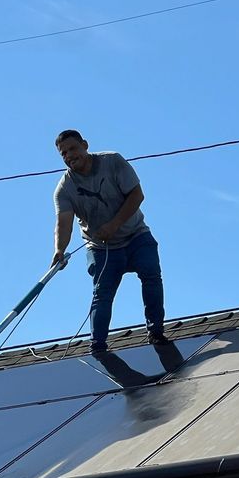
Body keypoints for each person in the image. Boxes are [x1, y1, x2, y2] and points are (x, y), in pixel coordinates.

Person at [51, 129, 169, 354]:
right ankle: (98, 346)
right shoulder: (64, 188)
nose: (69, 156)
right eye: (63, 153)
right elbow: (63, 222)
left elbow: (137, 195)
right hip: (101, 249)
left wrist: (114, 224)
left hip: (136, 235)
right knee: (102, 294)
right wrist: (59, 250)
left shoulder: (112, 161)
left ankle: (155, 331)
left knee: (151, 273)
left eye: (72, 149)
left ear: (85, 145)